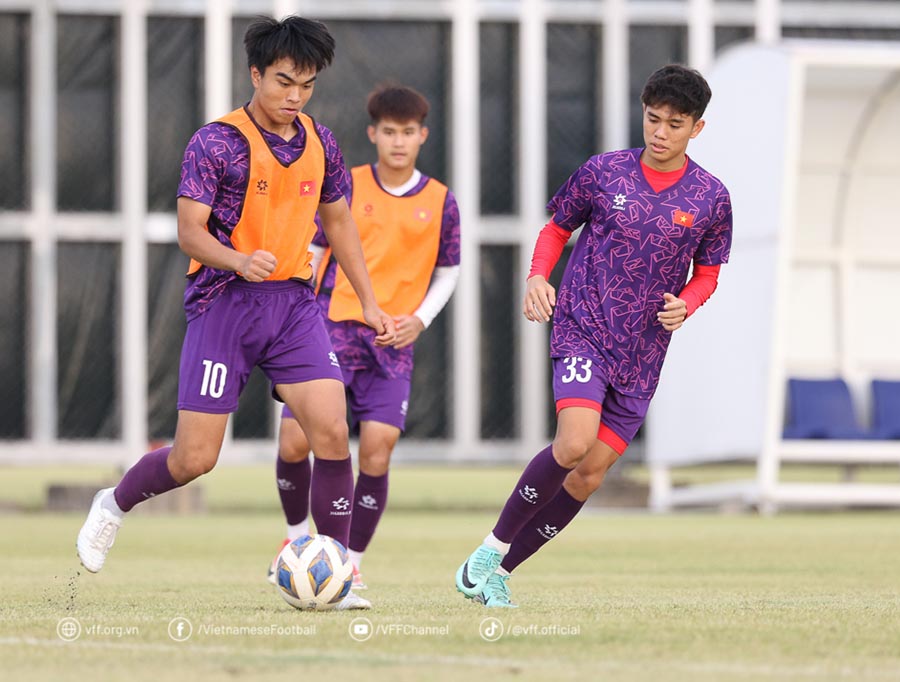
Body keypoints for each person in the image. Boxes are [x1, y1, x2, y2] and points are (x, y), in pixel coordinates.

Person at [76, 16, 396, 579]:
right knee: (194, 459)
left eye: (307, 84)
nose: (295, 96)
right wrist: (240, 260)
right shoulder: (217, 142)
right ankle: (114, 503)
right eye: (282, 81)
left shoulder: (322, 142)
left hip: (294, 306)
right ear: (255, 74)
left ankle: (339, 572)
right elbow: (190, 232)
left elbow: (341, 224)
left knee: (330, 431)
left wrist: (368, 303)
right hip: (224, 304)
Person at [454, 64, 732, 608]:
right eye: (653, 119)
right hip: (584, 325)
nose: (660, 132)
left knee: (588, 476)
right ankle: (489, 548)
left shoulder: (711, 197)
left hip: (644, 351)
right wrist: (537, 276)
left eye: (675, 124)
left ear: (696, 128)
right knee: (574, 442)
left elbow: (709, 272)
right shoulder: (604, 172)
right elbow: (557, 227)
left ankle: (493, 573)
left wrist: (688, 303)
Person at [267, 84, 461, 610]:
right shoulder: (345, 186)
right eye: (389, 133)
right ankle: (294, 537)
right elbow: (311, 249)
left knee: (377, 449)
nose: (399, 143)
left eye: (409, 133)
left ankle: (348, 567)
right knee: (294, 444)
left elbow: (449, 270)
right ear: (374, 134)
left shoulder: (441, 200)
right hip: (329, 331)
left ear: (423, 136)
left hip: (393, 342)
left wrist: (419, 320)